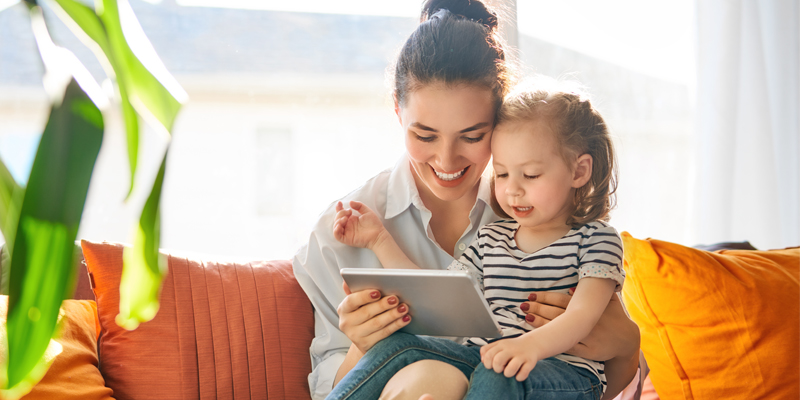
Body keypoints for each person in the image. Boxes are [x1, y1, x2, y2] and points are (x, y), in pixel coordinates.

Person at [291, 1, 641, 399]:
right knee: (429, 375)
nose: (446, 160)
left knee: (468, 375)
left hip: (529, 377)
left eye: (473, 136)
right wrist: (362, 342)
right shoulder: (340, 232)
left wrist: (626, 344)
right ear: (396, 111)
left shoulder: (545, 215)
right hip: (427, 378)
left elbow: (605, 383)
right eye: (424, 136)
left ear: (501, 120)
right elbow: (433, 292)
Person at [330, 77, 623, 400]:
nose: (512, 189)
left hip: (567, 374)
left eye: (530, 175)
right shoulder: (491, 239)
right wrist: (379, 240)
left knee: (499, 369)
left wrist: (527, 346)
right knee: (400, 345)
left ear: (579, 172)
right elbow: (438, 292)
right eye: (501, 173)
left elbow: (583, 316)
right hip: (491, 361)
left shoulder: (597, 240)